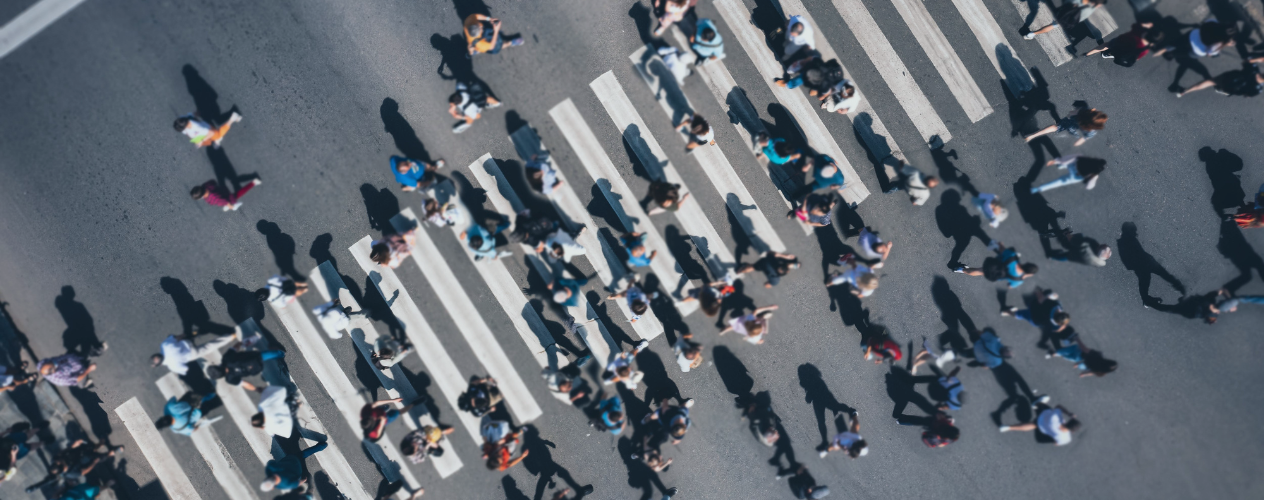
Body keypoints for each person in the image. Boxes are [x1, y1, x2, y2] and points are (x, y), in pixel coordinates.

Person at [955, 241, 1037, 288]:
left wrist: (1000, 244)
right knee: (980, 272)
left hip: (991, 264)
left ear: (1027, 263)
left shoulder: (1013, 258)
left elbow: (1002, 249)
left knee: (979, 270)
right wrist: (1024, 276)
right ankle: (959, 270)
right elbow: (1009, 286)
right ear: (1028, 273)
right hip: (994, 275)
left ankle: (961, 269)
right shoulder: (1018, 280)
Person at [999, 400, 1081, 445]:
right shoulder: (1066, 439)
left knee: (1042, 406)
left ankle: (1036, 403)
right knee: (1034, 425)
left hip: (1042, 415)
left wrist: (1069, 413)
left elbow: (1058, 406)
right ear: (1072, 432)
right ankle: (1008, 428)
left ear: (1069, 421)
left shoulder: (1057, 416)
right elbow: (1056, 443)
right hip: (1041, 428)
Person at [1150, 18, 1238, 60]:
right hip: (1197, 50)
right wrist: (1226, 44)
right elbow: (1209, 52)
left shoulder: (1213, 22)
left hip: (1192, 35)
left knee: (1175, 43)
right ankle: (1172, 54)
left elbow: (1204, 23)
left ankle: (1160, 51)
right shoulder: (1219, 43)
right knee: (1184, 53)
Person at [1176, 57, 1264, 98]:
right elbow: (1247, 95)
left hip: (1228, 77)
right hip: (1231, 89)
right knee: (1224, 88)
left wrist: (1258, 59)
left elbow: (1245, 61)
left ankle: (1185, 91)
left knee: (1210, 81)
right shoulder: (1258, 89)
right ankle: (1223, 90)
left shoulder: (1254, 70)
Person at [151, 333, 235, 375]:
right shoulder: (164, 345)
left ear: (161, 364)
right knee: (174, 338)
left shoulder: (172, 366)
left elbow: (186, 369)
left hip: (192, 354)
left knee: (210, 346)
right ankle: (193, 333)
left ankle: (230, 337)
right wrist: (184, 335)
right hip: (187, 342)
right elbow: (176, 337)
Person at [259, 441, 328, 493]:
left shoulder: (284, 485)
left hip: (298, 471)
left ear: (272, 488)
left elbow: (298, 482)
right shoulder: (270, 469)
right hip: (292, 460)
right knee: (302, 454)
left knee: (303, 457)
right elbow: (271, 462)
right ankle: (322, 446)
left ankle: (321, 447)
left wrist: (304, 480)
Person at [1022, 0, 1106, 42]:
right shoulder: (1089, 10)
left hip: (1062, 10)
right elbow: (1079, 19)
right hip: (1064, 18)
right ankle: (1031, 34)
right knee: (1052, 25)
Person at [1024, 105, 1108, 146]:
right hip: (1074, 128)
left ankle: (1033, 136)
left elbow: (1071, 114)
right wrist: (1077, 143)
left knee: (1056, 127)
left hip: (1071, 121)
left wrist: (1069, 116)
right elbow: (1083, 139)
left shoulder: (1084, 110)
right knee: (1068, 130)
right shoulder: (1091, 130)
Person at [207, 348, 284, 391]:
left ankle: (278, 356)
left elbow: (245, 384)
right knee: (267, 355)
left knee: (261, 360)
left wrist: (256, 389)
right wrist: (242, 343)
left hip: (255, 369)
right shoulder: (226, 359)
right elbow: (234, 348)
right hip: (254, 358)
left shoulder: (229, 379)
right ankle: (281, 353)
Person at [1085, 22, 1157, 65]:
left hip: (1119, 42)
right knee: (1116, 52)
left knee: (1106, 45)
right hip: (1124, 52)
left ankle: (1088, 53)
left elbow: (1134, 25)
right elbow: (1136, 58)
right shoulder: (1145, 50)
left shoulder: (1139, 32)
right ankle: (1108, 54)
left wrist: (1145, 25)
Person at [1001, 287, 1070, 332]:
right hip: (1035, 320)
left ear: (1061, 313)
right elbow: (1057, 330)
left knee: (1049, 295)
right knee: (1021, 315)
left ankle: (1008, 311)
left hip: (1034, 307)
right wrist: (1062, 326)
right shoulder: (1054, 325)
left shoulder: (1054, 306)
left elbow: (1041, 299)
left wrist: (1037, 291)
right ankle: (1006, 312)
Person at [1030, 155, 1106, 193]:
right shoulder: (1094, 174)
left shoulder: (1084, 159)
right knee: (1058, 182)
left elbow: (1069, 159)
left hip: (1072, 166)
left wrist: (1056, 161)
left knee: (1066, 161)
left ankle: (1061, 166)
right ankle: (1038, 189)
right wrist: (1094, 177)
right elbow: (1088, 187)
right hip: (1076, 176)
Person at [1044, 227, 1111, 266]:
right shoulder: (1102, 262)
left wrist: (1067, 233)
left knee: (1067, 255)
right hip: (1083, 258)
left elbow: (1072, 240)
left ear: (1098, 248)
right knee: (1068, 256)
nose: (1105, 244)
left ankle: (1051, 256)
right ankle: (1052, 257)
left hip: (1078, 252)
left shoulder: (1086, 246)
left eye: (1103, 246)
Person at [174, 111, 242, 148]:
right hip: (204, 127)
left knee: (218, 135)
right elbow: (194, 114)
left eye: (182, 130)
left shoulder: (196, 127)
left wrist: (201, 141)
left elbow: (211, 133)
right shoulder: (182, 119)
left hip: (207, 130)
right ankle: (216, 140)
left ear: (185, 127)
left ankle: (232, 118)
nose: (183, 131)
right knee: (213, 137)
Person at [191, 178, 261, 211]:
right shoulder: (205, 185)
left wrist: (232, 207)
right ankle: (254, 182)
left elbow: (224, 201)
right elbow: (213, 181)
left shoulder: (214, 199)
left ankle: (253, 183)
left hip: (227, 197)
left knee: (239, 194)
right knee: (234, 195)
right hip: (223, 190)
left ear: (201, 197)